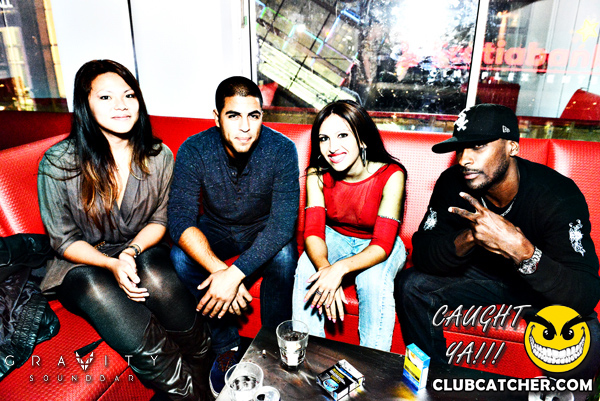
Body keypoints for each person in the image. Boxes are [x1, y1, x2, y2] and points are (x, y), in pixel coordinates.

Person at [38, 59, 210, 400]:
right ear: (85, 105)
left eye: (129, 95)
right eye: (105, 97)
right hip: (80, 261)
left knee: (155, 274)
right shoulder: (58, 162)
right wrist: (111, 263)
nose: (121, 104)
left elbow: (160, 220)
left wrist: (130, 252)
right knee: (93, 284)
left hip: (138, 248)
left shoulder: (159, 156)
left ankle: (205, 367)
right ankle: (189, 394)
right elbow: (63, 239)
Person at [396, 104, 600, 376]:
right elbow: (423, 252)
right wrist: (472, 235)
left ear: (512, 147)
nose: (464, 160)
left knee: (585, 334)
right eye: (460, 149)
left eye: (478, 146)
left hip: (538, 288)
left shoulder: (557, 194)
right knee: (411, 285)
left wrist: (523, 252)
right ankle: (435, 380)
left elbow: (585, 292)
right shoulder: (452, 182)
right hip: (485, 278)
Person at [168, 76, 299, 397]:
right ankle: (226, 346)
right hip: (217, 228)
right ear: (217, 117)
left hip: (261, 229)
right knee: (179, 256)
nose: (245, 127)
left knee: (284, 254)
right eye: (233, 115)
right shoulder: (194, 149)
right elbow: (179, 221)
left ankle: (272, 346)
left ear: (262, 116)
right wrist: (222, 273)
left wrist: (236, 273)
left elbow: (283, 224)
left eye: (253, 116)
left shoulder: (282, 149)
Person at [292, 100, 407, 351]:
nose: (332, 147)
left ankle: (373, 364)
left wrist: (339, 270)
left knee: (371, 280)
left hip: (378, 243)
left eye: (342, 135)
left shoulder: (392, 174)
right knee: (307, 271)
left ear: (363, 139)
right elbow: (313, 232)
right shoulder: (316, 174)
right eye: (324, 139)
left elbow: (382, 244)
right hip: (335, 235)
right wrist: (325, 270)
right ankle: (308, 357)